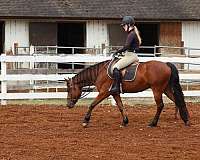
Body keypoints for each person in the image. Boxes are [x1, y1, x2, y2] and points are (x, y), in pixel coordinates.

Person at [110, 15, 142, 94]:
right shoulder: (133, 33)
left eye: (124, 25)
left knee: (115, 67)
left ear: (129, 25)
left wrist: (117, 52)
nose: (123, 27)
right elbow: (127, 47)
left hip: (130, 56)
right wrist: (121, 51)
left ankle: (116, 88)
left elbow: (127, 46)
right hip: (130, 54)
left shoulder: (131, 34)